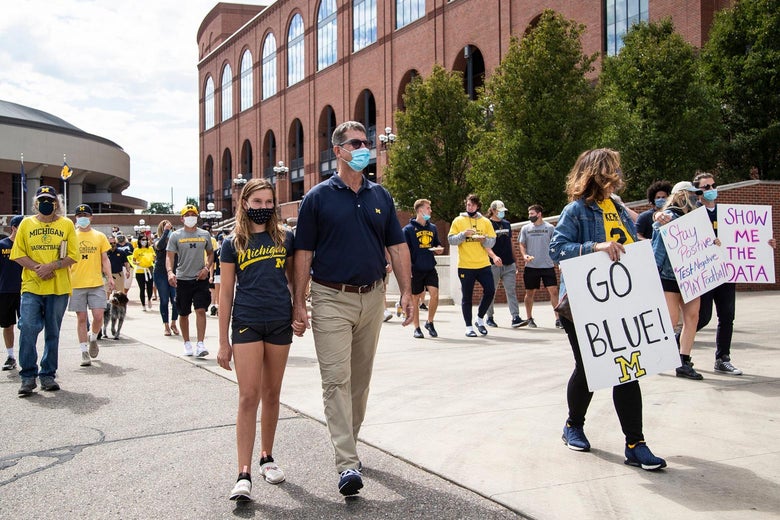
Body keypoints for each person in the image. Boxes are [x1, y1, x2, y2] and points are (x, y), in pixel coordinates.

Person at [292, 121, 413, 496]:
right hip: (330, 297)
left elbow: (397, 246)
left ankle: (351, 445)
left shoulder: (381, 196)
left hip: (373, 297)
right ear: (338, 150)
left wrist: (407, 291)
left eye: (368, 142)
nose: (366, 147)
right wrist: (299, 301)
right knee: (336, 381)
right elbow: (303, 253)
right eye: (357, 143)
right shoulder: (317, 197)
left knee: (359, 382)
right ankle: (346, 463)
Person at [549, 149, 666, 471]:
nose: (617, 174)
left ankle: (635, 444)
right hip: (581, 304)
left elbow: (636, 248)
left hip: (618, 303)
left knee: (626, 369)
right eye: (612, 169)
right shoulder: (575, 211)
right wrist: (594, 247)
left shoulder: (618, 209)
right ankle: (573, 425)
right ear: (598, 173)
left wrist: (657, 229)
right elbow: (557, 249)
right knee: (588, 369)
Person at [217, 178, 296, 500]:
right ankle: (243, 473)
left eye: (268, 202)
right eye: (257, 202)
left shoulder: (286, 239)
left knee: (272, 394)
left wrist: (299, 311)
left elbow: (294, 282)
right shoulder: (231, 243)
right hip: (247, 322)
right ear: (245, 203)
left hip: (279, 322)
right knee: (248, 396)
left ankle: (267, 457)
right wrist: (222, 341)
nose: (263, 207)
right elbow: (224, 294)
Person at [692, 171, 776, 376]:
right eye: (706, 187)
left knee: (727, 316)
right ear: (698, 192)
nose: (712, 190)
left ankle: (723, 358)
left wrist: (766, 244)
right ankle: (676, 345)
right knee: (701, 318)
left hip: (728, 273)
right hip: (705, 273)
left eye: (713, 185)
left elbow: (748, 237)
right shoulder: (693, 214)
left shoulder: (729, 214)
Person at [11, 186, 78, 395]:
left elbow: (72, 255)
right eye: (42, 199)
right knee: (28, 327)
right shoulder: (26, 224)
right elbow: (18, 253)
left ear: (56, 203)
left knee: (53, 331)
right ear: (35, 203)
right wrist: (38, 269)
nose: (46, 203)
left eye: (50, 199)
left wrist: (52, 266)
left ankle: (48, 374)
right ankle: (28, 375)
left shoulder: (66, 224)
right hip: (32, 285)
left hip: (58, 287)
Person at [651, 181, 706, 380]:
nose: (696, 199)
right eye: (692, 195)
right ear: (681, 196)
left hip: (692, 275)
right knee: (671, 320)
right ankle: (657, 355)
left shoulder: (697, 219)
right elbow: (657, 250)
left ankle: (684, 360)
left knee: (692, 318)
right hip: (669, 276)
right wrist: (653, 274)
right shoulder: (668, 219)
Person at [68, 205, 113, 367]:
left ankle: (93, 337)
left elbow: (105, 259)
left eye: (85, 214)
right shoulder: (71, 235)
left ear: (91, 217)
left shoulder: (99, 236)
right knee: (81, 318)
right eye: (79, 215)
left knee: (99, 316)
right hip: (76, 283)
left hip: (96, 283)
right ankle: (83, 351)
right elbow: (65, 259)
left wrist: (110, 277)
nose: (82, 217)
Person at [166, 204, 214, 357]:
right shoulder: (176, 236)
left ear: (197, 216)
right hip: (182, 279)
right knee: (184, 312)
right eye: (187, 214)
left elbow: (211, 254)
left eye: (193, 214)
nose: (191, 217)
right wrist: (169, 272)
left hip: (200, 278)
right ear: (182, 218)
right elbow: (169, 256)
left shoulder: (204, 234)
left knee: (201, 310)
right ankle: (187, 342)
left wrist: (206, 268)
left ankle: (200, 344)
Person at [448, 194, 498, 337]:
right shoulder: (458, 220)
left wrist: (484, 240)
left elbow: (492, 241)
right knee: (467, 297)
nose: (469, 207)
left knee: (490, 291)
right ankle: (468, 327)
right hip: (465, 266)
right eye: (468, 204)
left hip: (483, 265)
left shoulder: (485, 222)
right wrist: (463, 234)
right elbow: (451, 240)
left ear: (477, 206)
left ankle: (480, 319)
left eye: (472, 205)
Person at [402, 198, 444, 339]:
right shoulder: (407, 230)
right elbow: (404, 252)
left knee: (435, 294)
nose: (430, 211)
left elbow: (437, 244)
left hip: (430, 267)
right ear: (420, 210)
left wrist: (438, 249)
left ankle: (429, 322)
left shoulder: (433, 228)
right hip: (415, 269)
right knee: (415, 299)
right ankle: (417, 327)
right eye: (428, 208)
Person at [518, 204, 561, 328]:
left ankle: (558, 319)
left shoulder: (550, 228)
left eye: (532, 214)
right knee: (530, 293)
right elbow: (521, 244)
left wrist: (557, 261)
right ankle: (529, 318)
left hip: (547, 265)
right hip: (531, 266)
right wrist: (524, 255)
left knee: (553, 291)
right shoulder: (525, 228)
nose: (529, 216)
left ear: (539, 214)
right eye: (529, 214)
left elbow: (556, 244)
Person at [484, 200, 522, 328]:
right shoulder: (487, 224)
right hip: (493, 264)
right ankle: (489, 317)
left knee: (511, 290)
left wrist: (515, 260)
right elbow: (485, 244)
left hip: (508, 263)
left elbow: (510, 242)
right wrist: (494, 257)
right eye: (499, 212)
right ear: (493, 211)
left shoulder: (507, 224)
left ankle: (515, 317)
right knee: (491, 291)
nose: (502, 214)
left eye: (503, 212)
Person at [1, 215, 24, 371]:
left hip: (25, 291)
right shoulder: (2, 245)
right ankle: (10, 356)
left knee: (27, 326)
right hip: (4, 291)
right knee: (7, 325)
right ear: (14, 228)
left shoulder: (27, 247)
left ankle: (27, 357)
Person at [154, 220, 179, 336]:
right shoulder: (157, 241)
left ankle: (174, 323)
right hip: (161, 273)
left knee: (175, 300)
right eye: (166, 228)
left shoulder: (176, 241)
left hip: (174, 273)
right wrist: (165, 232)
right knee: (164, 300)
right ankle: (166, 325)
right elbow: (160, 246)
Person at [132, 233, 156, 312]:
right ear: (139, 241)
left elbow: (154, 257)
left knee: (150, 287)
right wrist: (137, 263)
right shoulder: (136, 250)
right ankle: (143, 305)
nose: (144, 241)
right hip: (140, 271)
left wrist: (154, 258)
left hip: (149, 270)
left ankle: (149, 299)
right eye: (143, 240)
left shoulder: (150, 249)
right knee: (142, 288)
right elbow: (133, 261)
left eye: (146, 240)